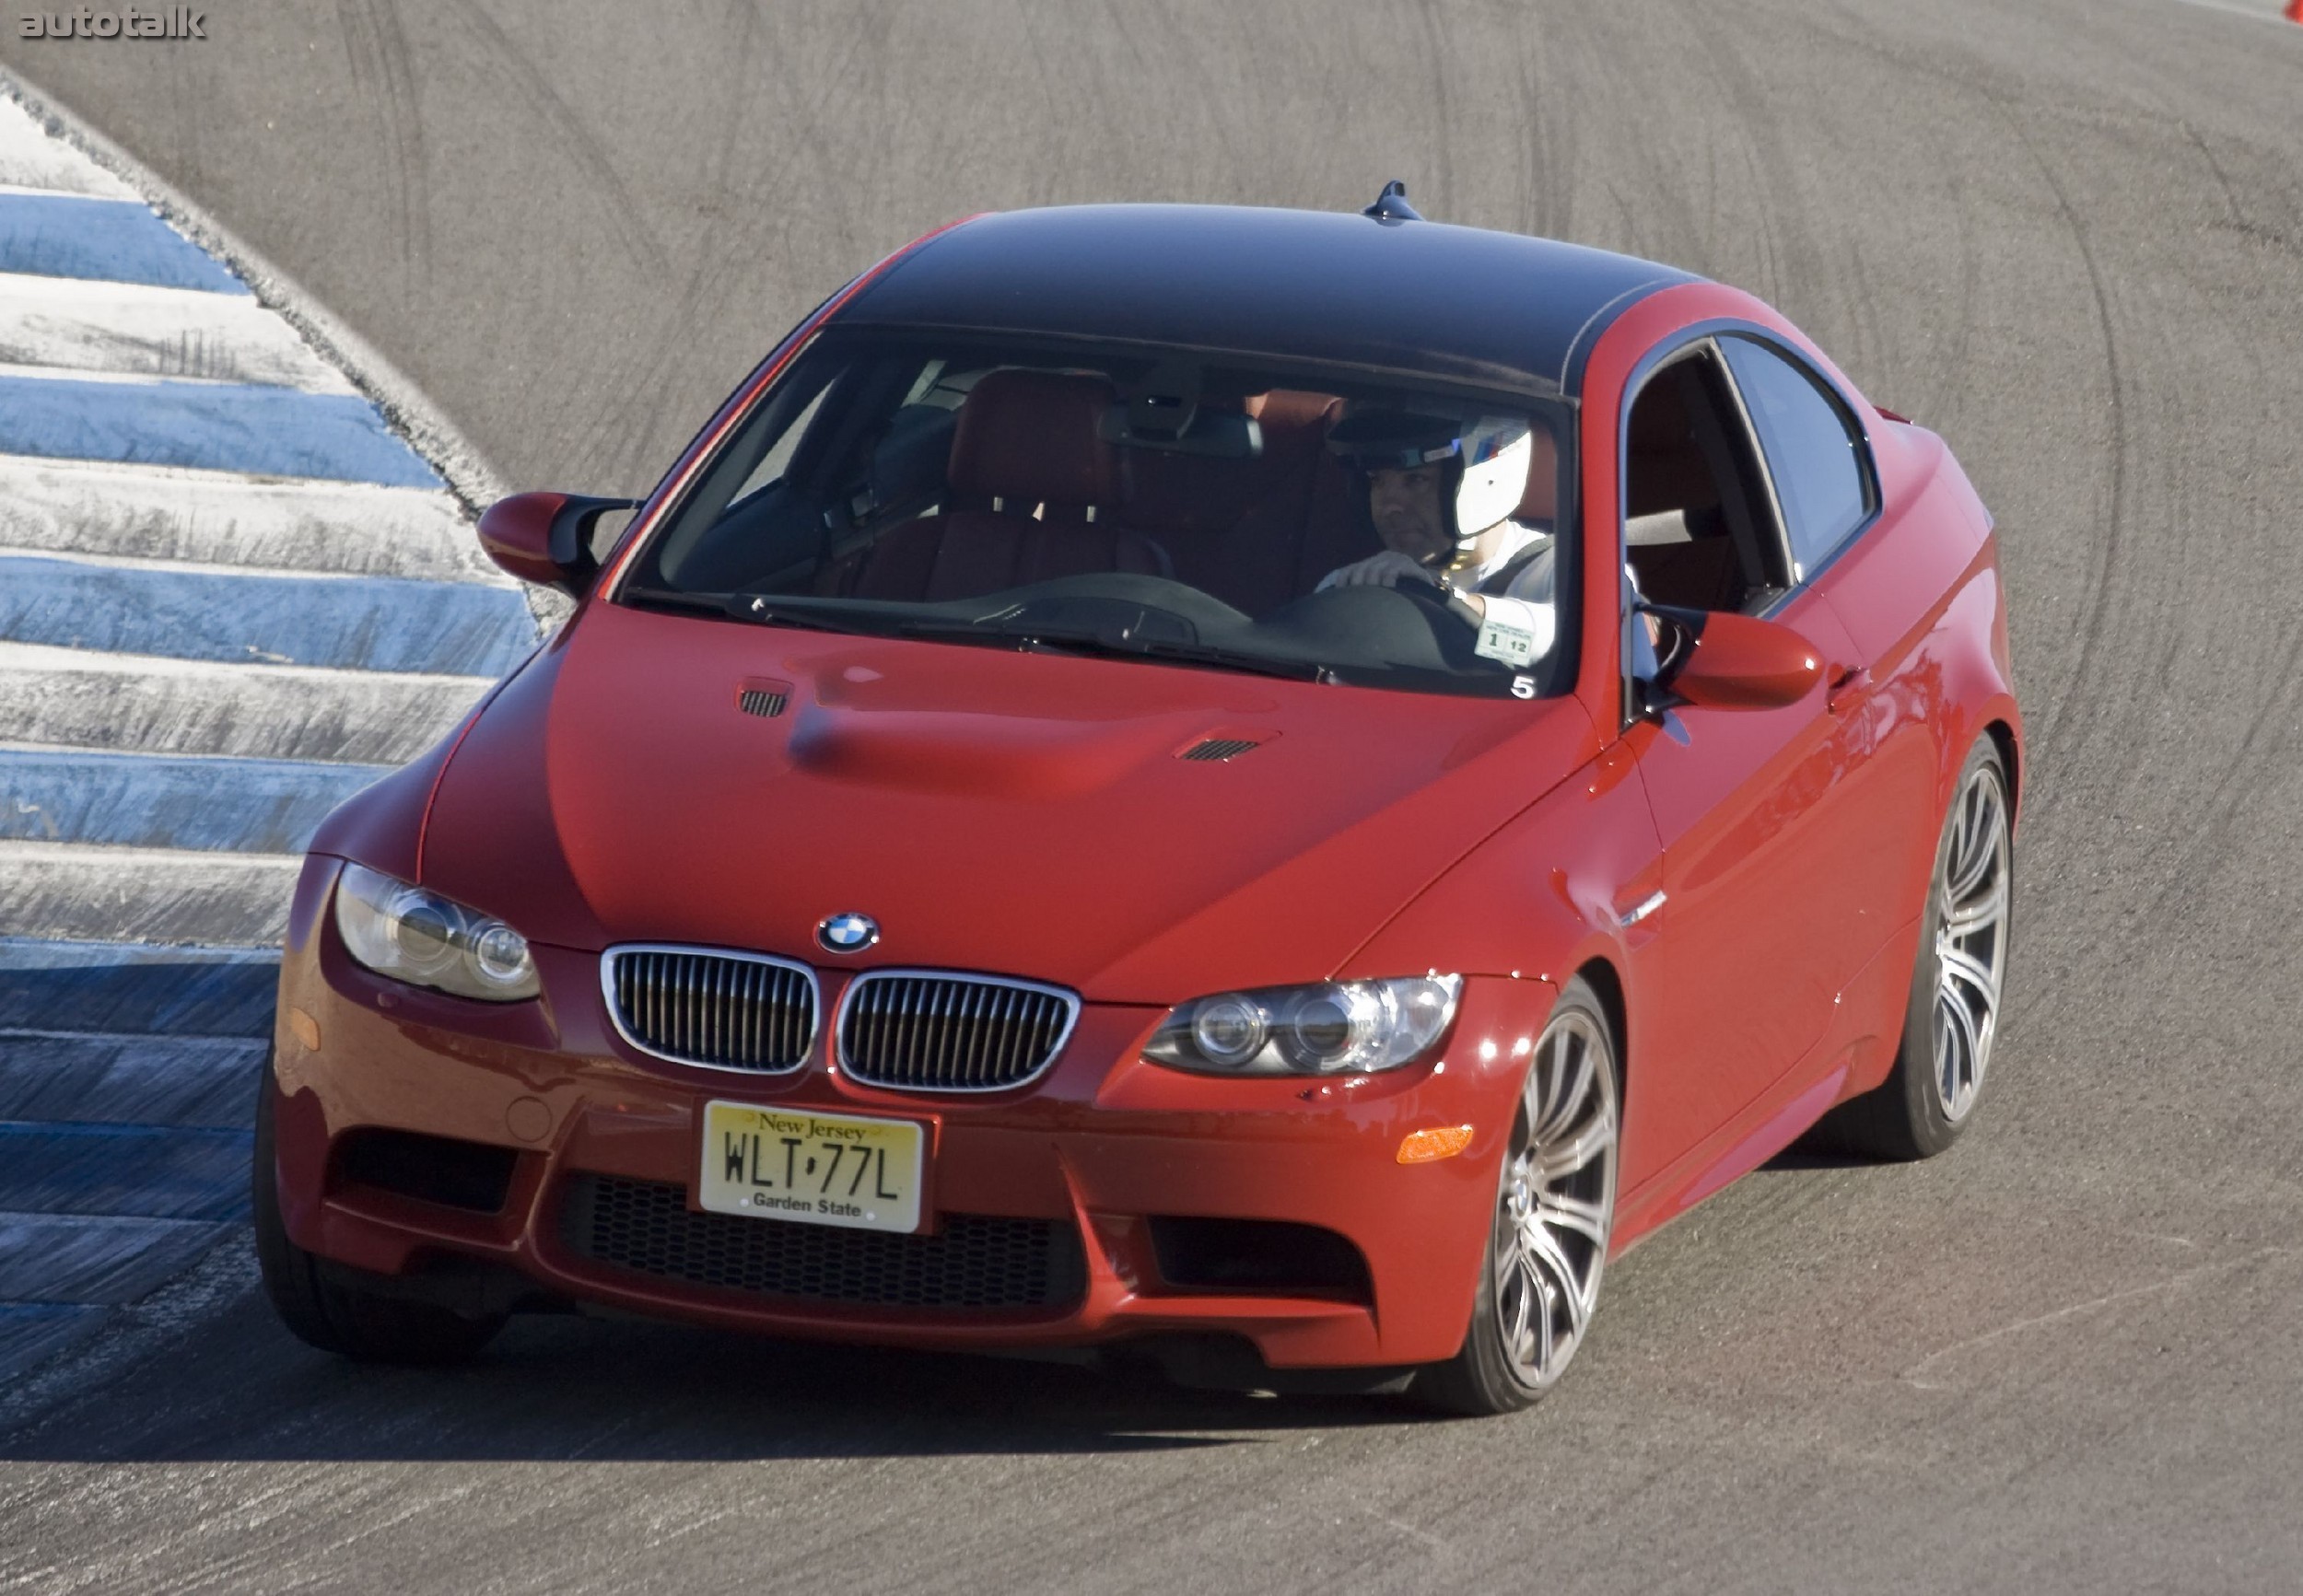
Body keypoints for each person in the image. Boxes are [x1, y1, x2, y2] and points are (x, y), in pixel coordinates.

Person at [1316, 410, 1558, 669]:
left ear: (1486, 478)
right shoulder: (1358, 581)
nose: (1389, 506)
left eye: (1416, 479)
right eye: (1377, 480)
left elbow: (1555, 643)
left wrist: (1444, 600)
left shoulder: (1557, 567)